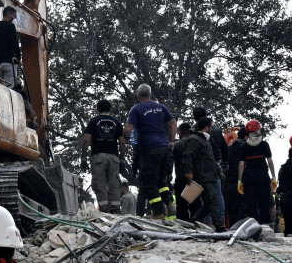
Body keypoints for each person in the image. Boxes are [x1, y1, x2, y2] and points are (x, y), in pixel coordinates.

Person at [124, 84, 177, 219]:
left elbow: (128, 130)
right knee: (161, 180)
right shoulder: (161, 107)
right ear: (150, 95)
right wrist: (171, 141)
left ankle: (158, 212)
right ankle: (169, 202)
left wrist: (126, 139)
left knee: (148, 182)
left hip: (149, 149)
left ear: (137, 96)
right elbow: (173, 123)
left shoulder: (136, 109)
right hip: (164, 147)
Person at [174, 121, 224, 231]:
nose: (212, 128)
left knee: (207, 202)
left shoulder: (204, 140)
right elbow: (188, 156)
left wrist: (218, 172)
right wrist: (189, 172)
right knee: (211, 199)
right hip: (202, 175)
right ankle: (219, 225)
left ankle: (194, 221)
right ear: (206, 127)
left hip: (207, 176)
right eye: (210, 126)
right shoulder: (196, 140)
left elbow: (210, 159)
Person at [81, 99, 127, 213]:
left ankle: (104, 210)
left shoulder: (93, 121)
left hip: (98, 157)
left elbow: (86, 140)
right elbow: (122, 142)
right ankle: (116, 210)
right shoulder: (116, 122)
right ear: (110, 109)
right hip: (113, 157)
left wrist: (83, 158)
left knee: (99, 184)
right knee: (114, 184)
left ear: (98, 109)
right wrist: (122, 159)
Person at [235, 119, 275, 225]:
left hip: (248, 175)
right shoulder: (264, 145)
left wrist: (239, 181)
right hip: (262, 175)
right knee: (264, 201)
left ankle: (254, 224)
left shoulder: (243, 146)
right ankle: (265, 224)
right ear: (257, 131)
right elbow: (270, 162)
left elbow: (241, 165)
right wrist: (274, 177)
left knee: (251, 202)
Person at [223, 127, 246, 225]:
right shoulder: (247, 148)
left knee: (232, 211)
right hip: (244, 182)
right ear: (246, 137)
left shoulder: (228, 149)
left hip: (230, 182)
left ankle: (233, 231)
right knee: (245, 209)